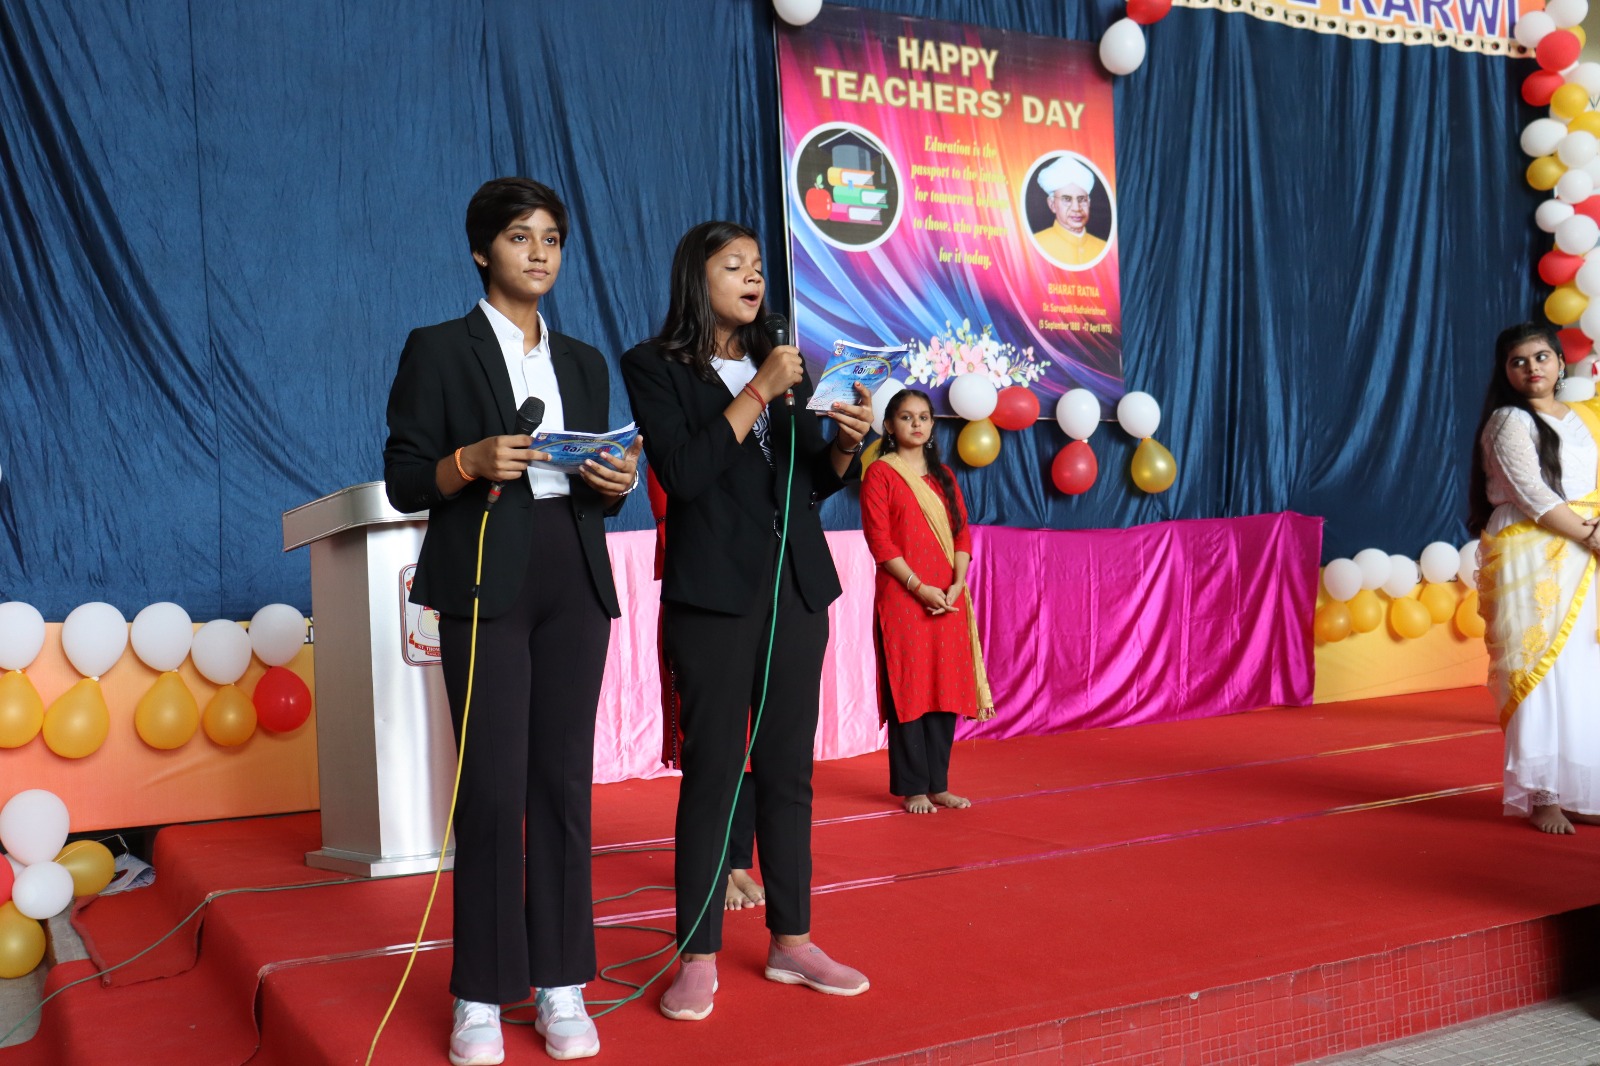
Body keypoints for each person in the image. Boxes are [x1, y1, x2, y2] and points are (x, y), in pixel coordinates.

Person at [384, 177, 641, 1065]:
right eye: (521, 237)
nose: (540, 253)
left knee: (563, 786)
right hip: (485, 575)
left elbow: (598, 488)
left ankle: (563, 980)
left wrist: (615, 481)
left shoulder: (585, 362)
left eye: (553, 239)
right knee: (491, 790)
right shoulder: (438, 349)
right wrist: (467, 460)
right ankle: (482, 993)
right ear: (481, 249)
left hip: (573, 575)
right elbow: (406, 477)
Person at [620, 220, 874, 1021]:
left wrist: (845, 446)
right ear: (697, 280)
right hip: (714, 596)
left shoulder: (786, 365)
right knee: (714, 773)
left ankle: (793, 941)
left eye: (758, 266)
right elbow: (685, 472)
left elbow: (806, 484)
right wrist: (758, 389)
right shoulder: (657, 366)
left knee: (789, 771)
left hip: (795, 589)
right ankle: (696, 954)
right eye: (734, 266)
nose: (753, 277)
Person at [1468, 322, 1600, 836]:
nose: (1532, 368)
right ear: (1505, 371)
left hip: (1582, 550)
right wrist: (1592, 536)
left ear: (1561, 362)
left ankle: (1579, 793)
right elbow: (1534, 496)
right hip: (1533, 551)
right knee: (1540, 669)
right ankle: (1543, 796)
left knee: (1580, 671)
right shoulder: (1508, 421)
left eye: (1541, 357)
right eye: (1518, 361)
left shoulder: (1579, 418)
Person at [860, 389, 994, 815]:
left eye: (923, 417)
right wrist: (920, 588)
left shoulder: (944, 475)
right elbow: (880, 542)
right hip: (905, 597)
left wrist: (957, 583)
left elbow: (961, 534)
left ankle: (939, 785)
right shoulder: (880, 473)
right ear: (888, 425)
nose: (916, 424)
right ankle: (913, 788)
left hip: (949, 597)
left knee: (945, 688)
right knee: (910, 688)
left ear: (933, 425)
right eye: (906, 417)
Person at [646, 468, 764, 911]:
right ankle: (712, 868)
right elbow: (676, 535)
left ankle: (738, 863)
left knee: (751, 744)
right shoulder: (675, 451)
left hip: (754, 601)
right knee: (713, 749)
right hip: (703, 603)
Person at [1031, 154, 1108, 268]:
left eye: (1082, 199)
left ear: (1089, 203)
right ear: (1052, 204)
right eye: (1067, 199)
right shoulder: (1035, 245)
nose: (1076, 208)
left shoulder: (1103, 248)